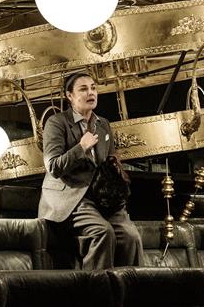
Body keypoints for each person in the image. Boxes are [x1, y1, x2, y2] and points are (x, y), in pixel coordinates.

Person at [38, 71, 144, 269]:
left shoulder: (103, 124)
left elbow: (110, 161)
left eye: (93, 88)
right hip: (70, 197)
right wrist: (81, 147)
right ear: (69, 96)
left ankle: (128, 286)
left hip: (101, 197)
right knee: (102, 232)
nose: (91, 93)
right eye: (83, 89)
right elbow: (53, 166)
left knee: (132, 237)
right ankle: (97, 287)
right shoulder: (56, 123)